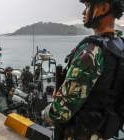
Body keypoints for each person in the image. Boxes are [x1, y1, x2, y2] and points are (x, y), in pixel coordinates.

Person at [42, 0, 124, 139]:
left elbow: (59, 113)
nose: (83, 11)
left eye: (87, 6)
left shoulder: (91, 52)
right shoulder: (120, 46)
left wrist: (45, 113)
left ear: (104, 7)